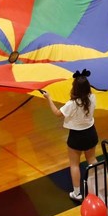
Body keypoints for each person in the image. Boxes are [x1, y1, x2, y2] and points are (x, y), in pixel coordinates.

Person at [41, 71, 98, 202]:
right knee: (92, 160)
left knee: (74, 165)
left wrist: (48, 98)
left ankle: (77, 193)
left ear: (75, 88)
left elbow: (57, 113)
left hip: (76, 136)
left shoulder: (71, 104)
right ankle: (100, 185)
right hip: (90, 133)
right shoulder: (93, 98)